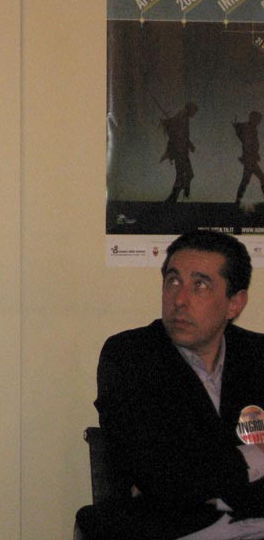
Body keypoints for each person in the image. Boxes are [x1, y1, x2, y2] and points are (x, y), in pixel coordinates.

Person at [77, 230, 264, 540]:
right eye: (173, 281)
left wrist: (211, 479)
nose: (179, 300)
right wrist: (256, 456)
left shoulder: (257, 356)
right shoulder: (131, 357)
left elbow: (185, 476)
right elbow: (163, 478)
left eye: (200, 285)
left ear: (234, 303)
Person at [160, 102, 198, 203]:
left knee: (185, 175)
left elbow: (183, 135)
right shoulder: (182, 117)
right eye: (194, 111)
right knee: (185, 175)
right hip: (180, 152)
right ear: (190, 109)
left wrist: (190, 145)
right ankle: (180, 196)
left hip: (182, 152)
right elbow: (177, 135)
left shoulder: (184, 117)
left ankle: (176, 197)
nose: (194, 114)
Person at [234, 111, 264, 206]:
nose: (259, 122)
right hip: (250, 160)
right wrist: (251, 155)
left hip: (250, 159)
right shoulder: (248, 129)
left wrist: (255, 154)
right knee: (257, 179)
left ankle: (237, 201)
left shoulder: (252, 129)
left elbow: (251, 144)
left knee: (246, 180)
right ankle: (237, 201)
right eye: (258, 119)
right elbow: (247, 144)